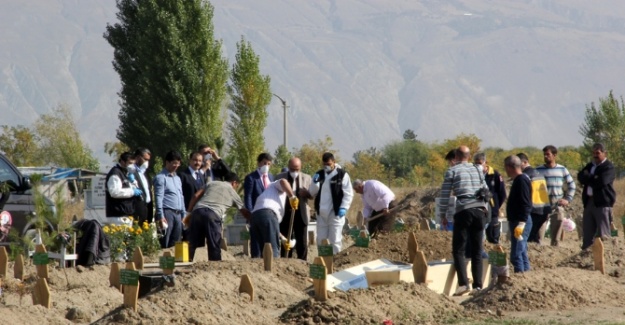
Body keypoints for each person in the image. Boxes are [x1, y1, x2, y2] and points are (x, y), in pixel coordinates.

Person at [438, 146, 489, 295]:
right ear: (469, 156)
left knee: (459, 249)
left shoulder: (452, 171)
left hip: (464, 210)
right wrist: (485, 209)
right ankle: (478, 286)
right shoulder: (477, 169)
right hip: (480, 211)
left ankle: (463, 284)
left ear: (455, 157)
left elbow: (445, 194)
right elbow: (485, 190)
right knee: (477, 249)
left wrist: (443, 215)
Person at [186, 172, 250, 261]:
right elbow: (244, 212)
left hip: (197, 212)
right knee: (214, 245)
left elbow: (195, 196)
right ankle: (215, 269)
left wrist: (188, 213)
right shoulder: (232, 192)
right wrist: (252, 221)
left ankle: (189, 267)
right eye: (237, 186)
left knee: (193, 244)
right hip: (212, 215)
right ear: (234, 183)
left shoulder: (211, 183)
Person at [308, 152, 354, 254]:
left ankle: (335, 262)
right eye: (324, 164)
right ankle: (323, 262)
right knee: (321, 239)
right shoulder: (319, 174)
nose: (326, 166)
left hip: (335, 212)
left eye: (328, 164)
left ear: (334, 162)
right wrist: (314, 183)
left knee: (335, 240)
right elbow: (312, 193)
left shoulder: (342, 175)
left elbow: (348, 194)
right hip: (321, 213)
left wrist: (344, 207)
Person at [535, 145, 576, 245]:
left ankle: (554, 248)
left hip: (557, 203)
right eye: (544, 155)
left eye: (548, 154)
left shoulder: (562, 169)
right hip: (542, 204)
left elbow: (572, 185)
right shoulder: (538, 170)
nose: (545, 157)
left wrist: (567, 199)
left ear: (554, 155)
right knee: (539, 232)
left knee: (557, 230)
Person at [578, 143, 616, 251]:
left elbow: (602, 182)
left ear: (604, 153)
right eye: (594, 153)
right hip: (589, 202)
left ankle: (606, 256)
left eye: (598, 153)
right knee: (587, 232)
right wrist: (593, 178)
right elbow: (580, 177)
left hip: (602, 203)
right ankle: (586, 255)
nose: (595, 155)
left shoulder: (608, 167)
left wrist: (588, 177)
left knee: (603, 233)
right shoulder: (591, 165)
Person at [250, 178, 298, 258]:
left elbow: (269, 224)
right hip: (267, 214)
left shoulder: (269, 193)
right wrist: (292, 196)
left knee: (265, 250)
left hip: (255, 217)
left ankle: (266, 269)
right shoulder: (276, 184)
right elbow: (283, 181)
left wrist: (282, 238)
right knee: (273, 250)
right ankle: (273, 269)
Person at [276, 157, 313, 260]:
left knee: (302, 241)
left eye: (297, 169)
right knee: (286, 240)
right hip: (285, 213)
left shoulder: (307, 178)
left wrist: (307, 194)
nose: (294, 172)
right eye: (292, 169)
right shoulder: (280, 177)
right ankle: (286, 261)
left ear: (300, 167)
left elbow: (312, 195)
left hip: (301, 213)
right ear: (288, 167)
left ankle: (302, 262)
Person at [503, 155, 532, 273]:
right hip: (517, 220)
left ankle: (521, 278)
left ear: (509, 167)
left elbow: (526, 203)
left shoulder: (521, 180)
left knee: (516, 255)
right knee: (522, 253)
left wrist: (522, 223)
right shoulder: (519, 180)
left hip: (521, 222)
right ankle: (525, 276)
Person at [244, 152, 275, 257]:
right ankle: (256, 261)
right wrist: (250, 213)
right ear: (259, 163)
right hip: (255, 213)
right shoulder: (251, 178)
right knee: (256, 241)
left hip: (268, 213)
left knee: (268, 240)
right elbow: (248, 196)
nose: (266, 166)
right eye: (264, 163)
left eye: (269, 164)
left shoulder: (271, 177)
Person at [153, 150, 185, 248]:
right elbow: (159, 197)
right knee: (165, 240)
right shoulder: (161, 178)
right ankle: (164, 263)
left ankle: (174, 263)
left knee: (176, 243)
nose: (176, 166)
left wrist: (184, 214)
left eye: (178, 164)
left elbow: (181, 196)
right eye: (174, 163)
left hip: (178, 214)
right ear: (167, 162)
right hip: (167, 212)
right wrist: (160, 216)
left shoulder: (177, 178)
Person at [473, 153, 507, 244]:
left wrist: (495, 206)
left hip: (492, 211)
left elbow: (502, 194)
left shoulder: (494, 174)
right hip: (478, 210)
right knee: (478, 239)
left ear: (485, 162)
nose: (478, 166)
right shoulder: (473, 175)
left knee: (493, 238)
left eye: (480, 163)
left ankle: (495, 257)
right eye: (476, 163)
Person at [517, 153, 550, 243]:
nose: (517, 167)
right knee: (534, 236)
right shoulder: (538, 173)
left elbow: (524, 195)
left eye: (518, 164)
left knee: (527, 238)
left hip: (533, 211)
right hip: (544, 210)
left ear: (525, 162)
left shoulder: (526, 175)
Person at [105, 152, 143, 224]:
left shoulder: (125, 173)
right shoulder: (115, 174)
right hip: (118, 215)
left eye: (133, 163)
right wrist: (132, 192)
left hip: (127, 213)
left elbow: (131, 187)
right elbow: (114, 192)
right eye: (130, 163)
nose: (131, 165)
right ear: (122, 161)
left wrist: (133, 182)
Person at [133, 148, 153, 224]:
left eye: (148, 160)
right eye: (145, 159)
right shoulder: (131, 172)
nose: (147, 162)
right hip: (136, 212)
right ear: (138, 158)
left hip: (146, 211)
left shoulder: (145, 173)